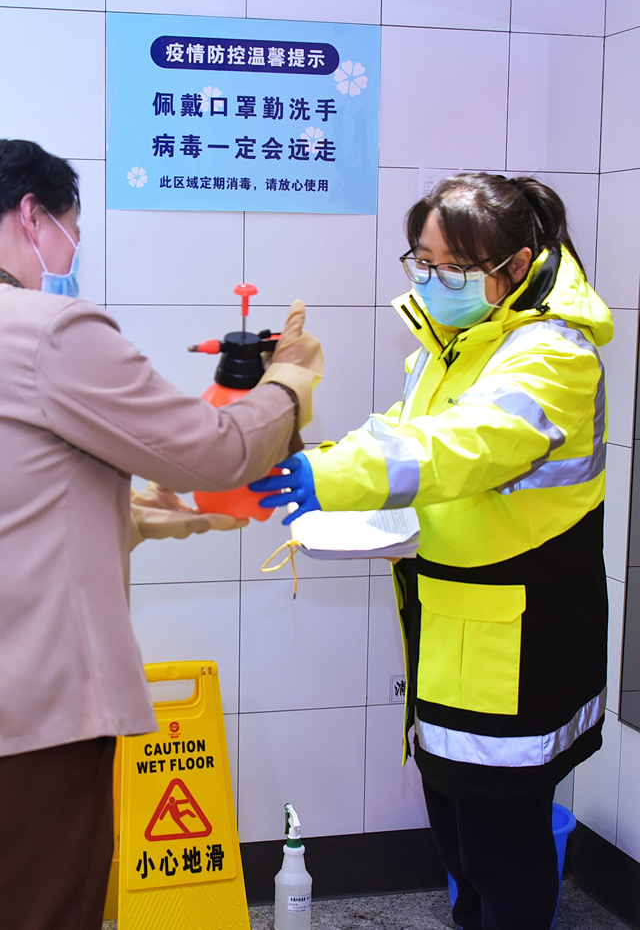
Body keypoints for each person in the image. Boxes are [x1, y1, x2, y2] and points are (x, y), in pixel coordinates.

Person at [251, 173, 612, 930]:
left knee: (503, 853)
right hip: (450, 631)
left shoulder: (552, 355)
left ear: (516, 264)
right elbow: (401, 433)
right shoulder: (453, 345)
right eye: (423, 261)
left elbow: (461, 446)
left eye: (454, 267)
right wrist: (319, 462)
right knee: (458, 840)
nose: (432, 280)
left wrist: (330, 477)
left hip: (518, 645)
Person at [0, 138, 322, 930]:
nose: (67, 259)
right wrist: (290, 384)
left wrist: (128, 516)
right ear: (33, 215)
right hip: (34, 715)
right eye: (71, 234)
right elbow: (214, 450)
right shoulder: (46, 331)